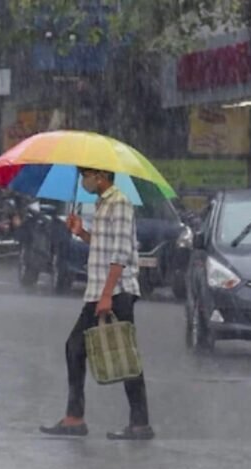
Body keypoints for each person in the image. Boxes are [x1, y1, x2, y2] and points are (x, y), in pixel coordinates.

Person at [40, 168, 154, 440]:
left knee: (123, 355)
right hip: (100, 291)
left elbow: (122, 252)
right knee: (77, 348)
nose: (83, 181)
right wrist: (82, 233)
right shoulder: (103, 203)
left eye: (86, 175)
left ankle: (138, 423)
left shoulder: (120, 203)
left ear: (101, 176)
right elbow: (103, 246)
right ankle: (76, 417)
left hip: (115, 291)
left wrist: (106, 295)